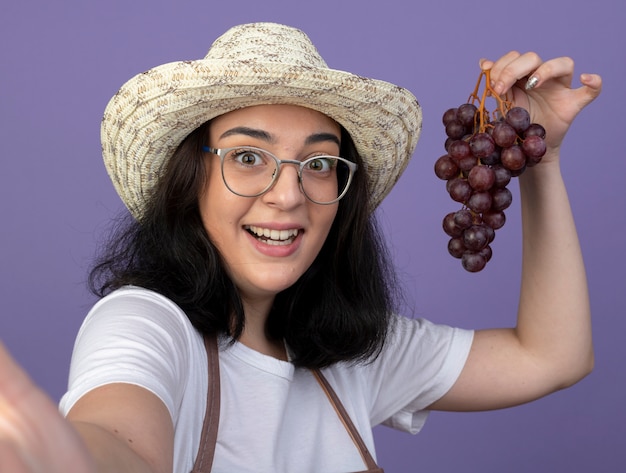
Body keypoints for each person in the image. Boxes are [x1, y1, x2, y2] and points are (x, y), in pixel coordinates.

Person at [0, 22, 601, 473]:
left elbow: (551, 356)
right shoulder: (146, 322)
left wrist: (539, 161)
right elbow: (120, 442)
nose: (288, 196)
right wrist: (62, 457)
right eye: (247, 156)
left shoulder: (352, 350)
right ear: (191, 179)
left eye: (317, 162)